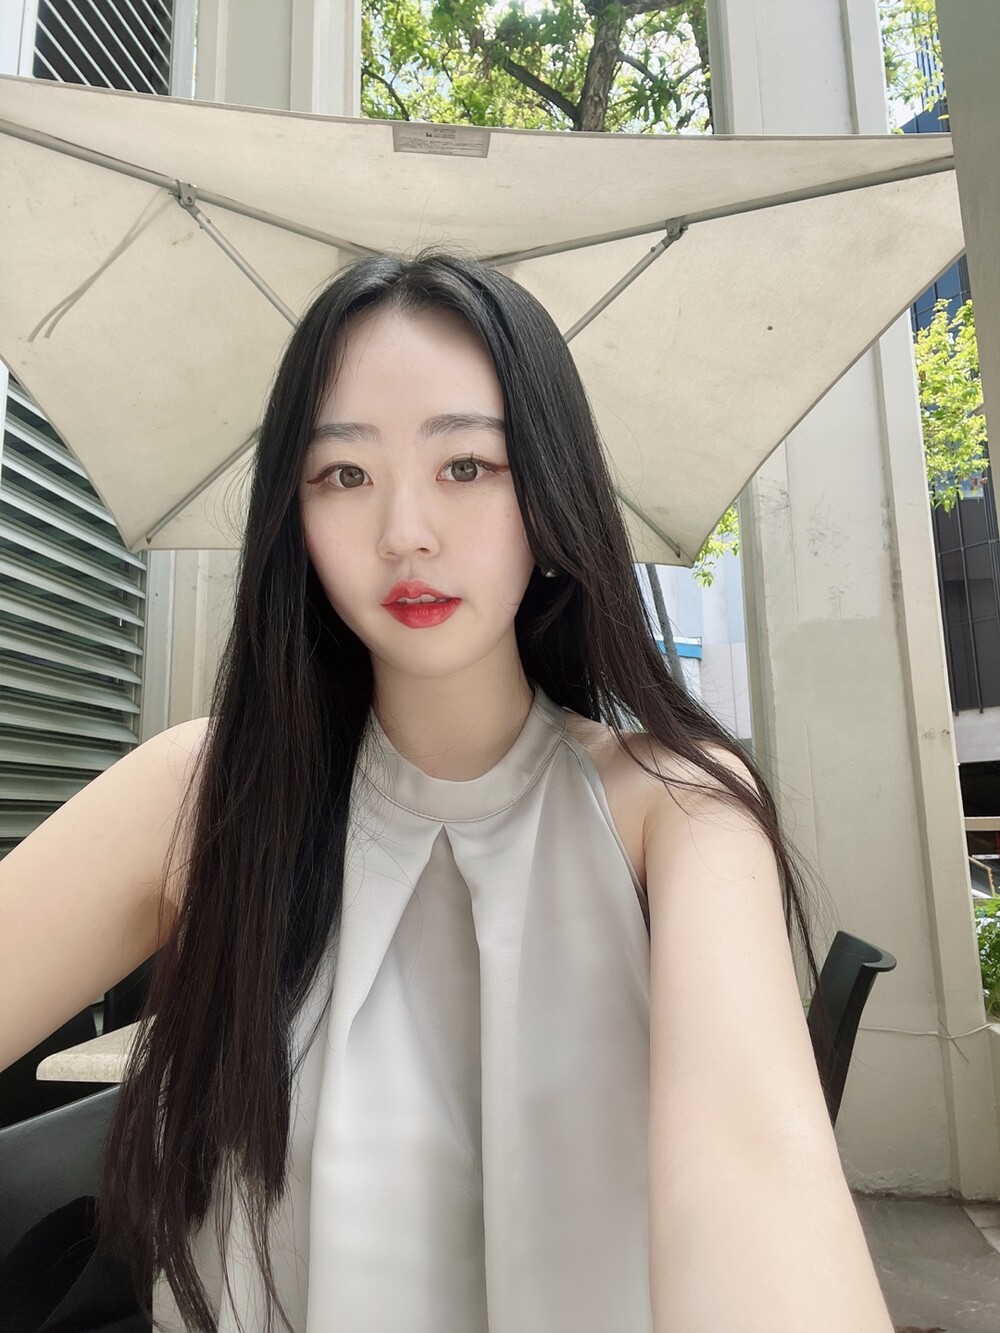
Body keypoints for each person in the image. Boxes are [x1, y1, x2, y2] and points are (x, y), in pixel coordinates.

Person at [0, 249, 895, 1333]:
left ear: (549, 490)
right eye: (344, 474)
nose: (404, 533)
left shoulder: (674, 808)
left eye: (466, 464)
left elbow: (749, 1168)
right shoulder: (205, 795)